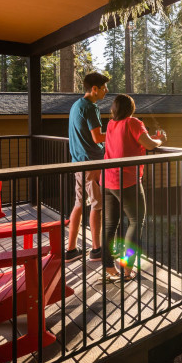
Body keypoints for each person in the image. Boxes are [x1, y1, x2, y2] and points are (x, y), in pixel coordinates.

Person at [102, 94, 166, 281]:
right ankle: (127, 268)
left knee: (109, 224)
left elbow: (132, 141)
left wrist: (150, 137)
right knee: (136, 221)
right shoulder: (133, 122)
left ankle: (108, 265)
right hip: (127, 181)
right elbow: (150, 145)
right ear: (131, 108)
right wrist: (160, 140)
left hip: (107, 179)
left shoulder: (112, 125)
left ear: (115, 109)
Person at [66, 72, 109, 263]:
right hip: (91, 161)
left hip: (78, 161)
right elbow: (97, 137)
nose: (106, 91)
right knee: (97, 205)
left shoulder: (76, 105)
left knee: (79, 203)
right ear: (95, 89)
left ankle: (71, 249)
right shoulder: (91, 107)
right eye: (104, 88)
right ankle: (96, 249)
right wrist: (115, 133)